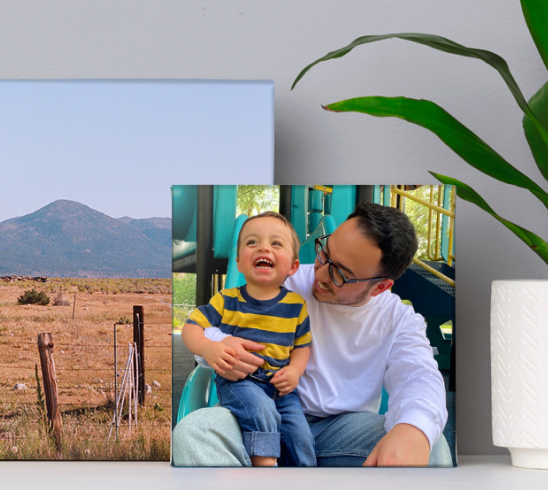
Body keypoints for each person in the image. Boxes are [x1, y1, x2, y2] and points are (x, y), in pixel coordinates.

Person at [173, 202, 452, 467]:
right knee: (195, 433)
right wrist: (223, 343)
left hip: (342, 430)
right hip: (263, 412)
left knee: (431, 443)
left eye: (340, 274)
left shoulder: (399, 319)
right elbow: (204, 328)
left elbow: (419, 375)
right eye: (324, 253)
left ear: (380, 287)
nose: (320, 274)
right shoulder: (283, 280)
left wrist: (414, 428)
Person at [181, 211, 316, 467]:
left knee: (300, 434)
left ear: (293, 267)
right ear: (239, 262)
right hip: (240, 382)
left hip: (281, 389)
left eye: (276, 243)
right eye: (252, 242)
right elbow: (191, 327)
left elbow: (302, 345)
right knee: (259, 410)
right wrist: (208, 347)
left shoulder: (296, 305)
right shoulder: (226, 299)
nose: (263, 247)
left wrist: (296, 370)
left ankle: (305, 476)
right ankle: (264, 469)